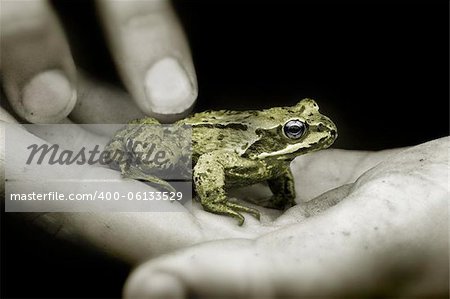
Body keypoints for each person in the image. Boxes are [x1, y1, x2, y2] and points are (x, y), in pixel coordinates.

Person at [1, 1, 448, 298]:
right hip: (177, 134)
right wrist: (219, 203)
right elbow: (211, 163)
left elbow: (277, 167)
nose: (317, 130)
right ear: (281, 131)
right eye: (297, 129)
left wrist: (283, 198)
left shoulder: (275, 154)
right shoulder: (251, 152)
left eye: (305, 122)